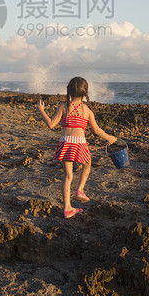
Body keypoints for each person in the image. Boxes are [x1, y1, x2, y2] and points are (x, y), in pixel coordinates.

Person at [37, 77, 117, 218]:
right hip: (79, 142)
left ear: (69, 91)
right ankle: (80, 189)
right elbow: (96, 130)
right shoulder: (86, 110)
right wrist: (109, 138)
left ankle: (67, 208)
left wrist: (41, 110)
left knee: (68, 176)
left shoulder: (63, 107)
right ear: (85, 93)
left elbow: (51, 125)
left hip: (65, 142)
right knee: (87, 164)